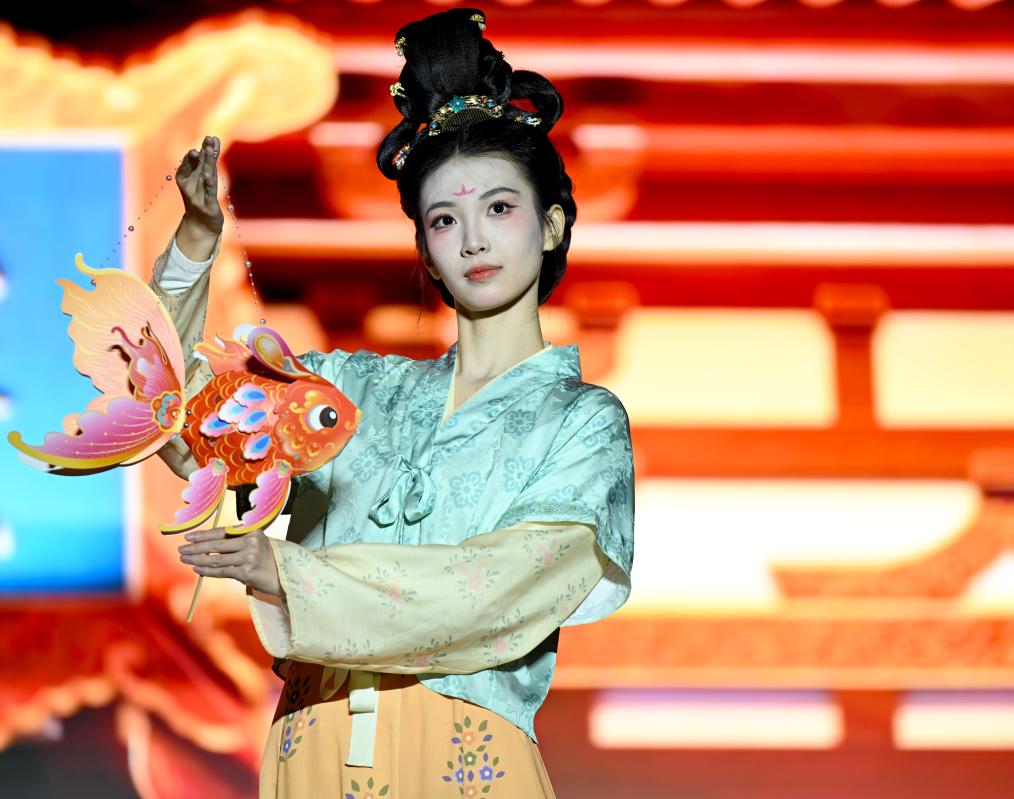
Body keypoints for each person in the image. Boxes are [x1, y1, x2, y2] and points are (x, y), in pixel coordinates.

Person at [153, 8, 635, 797]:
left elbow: (500, 588)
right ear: (428, 253)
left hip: (468, 759)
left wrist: (290, 573)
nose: (473, 239)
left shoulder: (583, 422)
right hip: (312, 745)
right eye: (445, 219)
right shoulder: (350, 390)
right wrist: (194, 249)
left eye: (500, 209)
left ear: (551, 226)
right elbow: (187, 419)